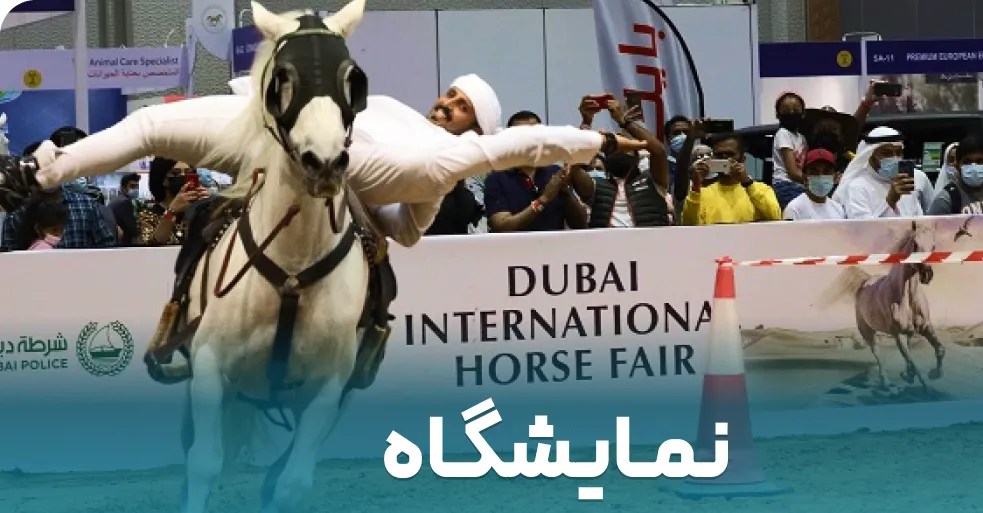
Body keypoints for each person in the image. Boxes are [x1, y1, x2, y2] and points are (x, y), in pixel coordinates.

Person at [0, 72, 640, 251]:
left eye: (463, 105)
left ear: (478, 129)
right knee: (150, 125)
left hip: (327, 173)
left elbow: (405, 232)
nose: (447, 103)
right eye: (450, 93)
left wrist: (603, 145)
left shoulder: (445, 163)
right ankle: (36, 172)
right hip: (273, 132)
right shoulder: (390, 106)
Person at [569, 95, 672, 229]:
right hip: (608, 242)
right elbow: (574, 167)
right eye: (611, 147)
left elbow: (659, 152)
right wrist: (586, 123)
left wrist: (624, 121)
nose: (617, 149)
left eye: (623, 146)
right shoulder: (596, 185)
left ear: (635, 155)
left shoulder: (653, 181)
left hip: (648, 241)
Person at [484, 111, 588, 232]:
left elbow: (580, 225)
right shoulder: (497, 178)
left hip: (554, 243)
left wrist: (566, 192)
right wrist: (543, 200)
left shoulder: (554, 172)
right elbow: (502, 226)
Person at [682, 132, 781, 225]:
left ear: (742, 159)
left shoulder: (762, 189)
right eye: (719, 155)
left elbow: (775, 217)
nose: (725, 158)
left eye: (730, 154)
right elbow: (688, 224)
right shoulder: (701, 194)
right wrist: (696, 185)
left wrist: (747, 183)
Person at [833, 127, 929, 219]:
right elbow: (862, 228)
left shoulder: (905, 184)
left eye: (898, 152)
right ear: (871, 155)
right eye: (886, 153)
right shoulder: (857, 187)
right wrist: (890, 201)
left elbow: (918, 221)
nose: (894, 158)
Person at [927, 136, 983, 216]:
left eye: (979, 161)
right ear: (957, 166)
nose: (973, 166)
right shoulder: (946, 200)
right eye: (967, 162)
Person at [783, 149, 845, 221]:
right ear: (805, 178)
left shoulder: (838, 209)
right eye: (814, 172)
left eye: (826, 172)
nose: (820, 176)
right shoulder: (794, 209)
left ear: (835, 177)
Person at [771, 91, 808, 210]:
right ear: (778, 115)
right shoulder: (783, 134)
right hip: (785, 186)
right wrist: (812, 181)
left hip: (798, 185)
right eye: (786, 110)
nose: (791, 113)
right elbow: (793, 172)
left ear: (803, 113)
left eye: (796, 109)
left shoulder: (802, 138)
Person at [108, 172, 142, 246]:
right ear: (123, 188)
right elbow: (132, 229)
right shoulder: (125, 202)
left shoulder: (115, 199)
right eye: (132, 186)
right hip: (123, 244)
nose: (136, 189)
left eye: (137, 186)